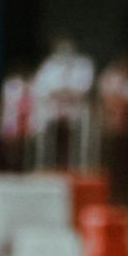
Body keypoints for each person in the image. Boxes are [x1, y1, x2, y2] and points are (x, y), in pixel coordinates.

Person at [32, 34, 94, 167]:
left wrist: (66, 93)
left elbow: (84, 88)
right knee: (51, 148)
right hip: (52, 116)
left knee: (74, 150)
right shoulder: (48, 65)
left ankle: (74, 168)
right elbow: (40, 89)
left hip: (74, 116)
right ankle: (48, 168)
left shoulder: (83, 64)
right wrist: (61, 93)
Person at [97, 53, 128, 201]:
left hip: (127, 130)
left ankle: (123, 195)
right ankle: (107, 194)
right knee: (109, 163)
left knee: (125, 164)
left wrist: (122, 103)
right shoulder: (109, 79)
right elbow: (108, 100)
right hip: (111, 129)